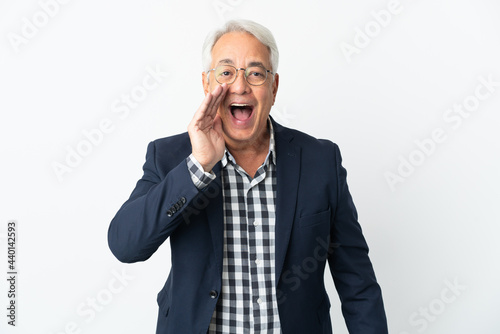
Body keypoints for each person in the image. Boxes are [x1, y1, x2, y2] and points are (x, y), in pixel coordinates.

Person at [108, 19, 388, 334]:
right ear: (206, 84)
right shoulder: (170, 156)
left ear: (274, 87)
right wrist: (198, 166)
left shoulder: (320, 161)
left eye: (255, 73)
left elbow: (357, 282)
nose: (240, 86)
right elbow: (126, 245)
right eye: (226, 73)